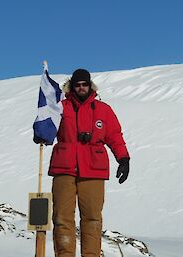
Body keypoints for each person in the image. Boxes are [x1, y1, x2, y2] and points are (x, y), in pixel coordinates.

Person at [34, 69, 130, 257]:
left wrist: (123, 158)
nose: (81, 88)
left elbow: (115, 136)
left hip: (93, 169)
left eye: (84, 84)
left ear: (90, 85)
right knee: (62, 218)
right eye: (77, 85)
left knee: (92, 218)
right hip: (64, 168)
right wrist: (40, 133)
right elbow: (47, 125)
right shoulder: (60, 107)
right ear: (72, 86)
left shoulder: (103, 110)